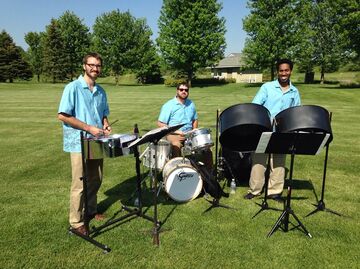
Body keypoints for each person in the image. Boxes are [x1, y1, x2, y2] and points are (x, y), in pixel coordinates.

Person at [58, 52, 111, 235]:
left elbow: (103, 113)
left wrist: (105, 124)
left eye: (98, 65)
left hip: (97, 140)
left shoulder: (101, 91)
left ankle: (90, 210)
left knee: (96, 178)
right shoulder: (72, 88)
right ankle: (76, 222)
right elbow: (63, 115)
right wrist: (89, 128)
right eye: (91, 65)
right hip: (78, 142)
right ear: (84, 66)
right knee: (79, 182)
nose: (95, 68)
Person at [244, 58, 301, 200]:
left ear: (290, 71)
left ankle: (274, 192)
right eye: (281, 70)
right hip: (265, 129)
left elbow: (296, 111)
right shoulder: (267, 87)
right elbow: (255, 105)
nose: (283, 73)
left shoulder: (294, 91)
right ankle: (255, 190)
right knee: (259, 161)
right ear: (277, 72)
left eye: (286, 70)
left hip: (283, 132)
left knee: (279, 162)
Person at [157, 82, 213, 170]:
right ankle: (177, 172)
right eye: (181, 90)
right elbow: (160, 123)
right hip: (174, 134)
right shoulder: (169, 105)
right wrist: (176, 132)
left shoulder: (191, 104)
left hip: (190, 134)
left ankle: (209, 175)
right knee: (176, 146)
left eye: (186, 90)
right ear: (177, 91)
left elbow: (195, 119)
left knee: (206, 149)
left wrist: (194, 130)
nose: (184, 92)